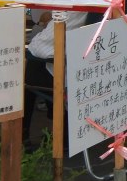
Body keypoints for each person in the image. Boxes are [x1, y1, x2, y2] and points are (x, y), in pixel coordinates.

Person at [22, 10, 87, 144]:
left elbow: (38, 48)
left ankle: (21, 135)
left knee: (27, 71)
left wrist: (43, 24)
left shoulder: (76, 8)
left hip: (68, 75)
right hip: (87, 68)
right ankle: (59, 127)